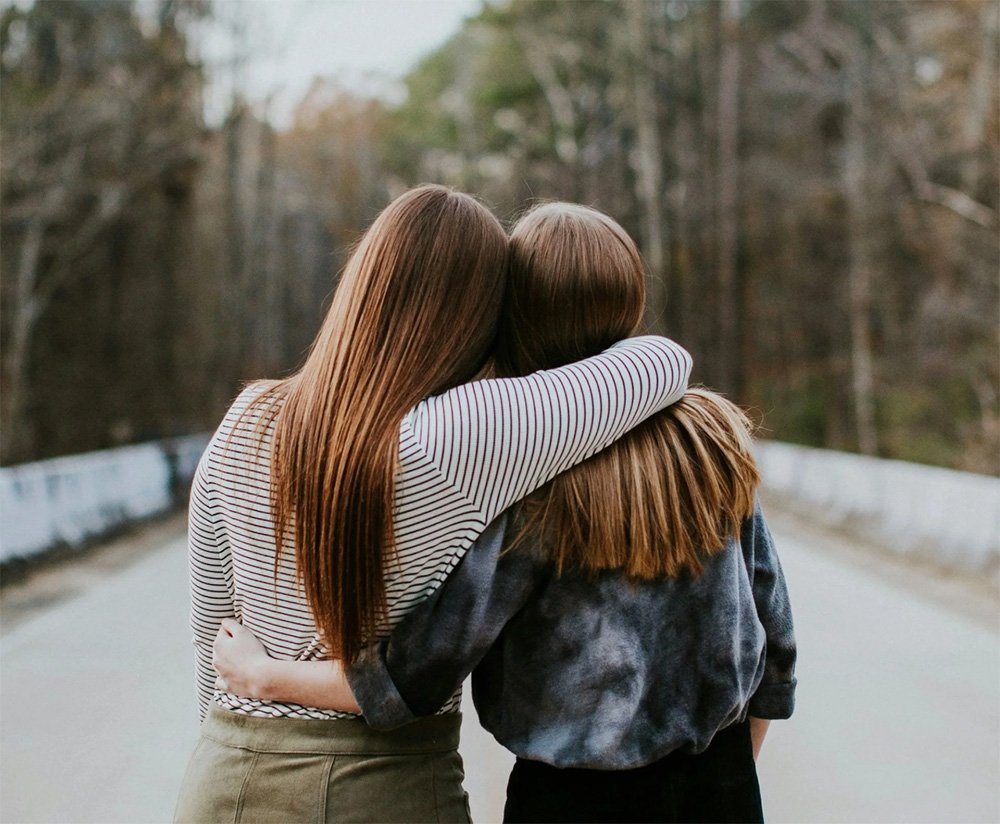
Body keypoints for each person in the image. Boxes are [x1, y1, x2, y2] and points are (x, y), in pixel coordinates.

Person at [213, 202, 796, 823]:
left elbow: (415, 674)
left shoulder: (531, 469)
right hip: (722, 785)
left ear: (514, 315)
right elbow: (775, 635)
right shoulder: (712, 440)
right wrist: (729, 774)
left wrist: (264, 676)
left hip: (567, 802)